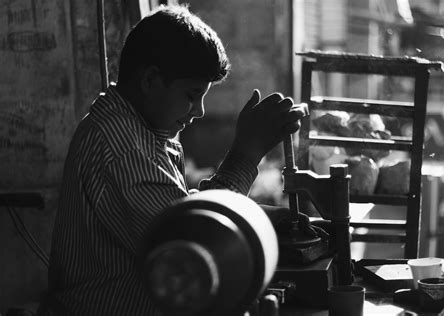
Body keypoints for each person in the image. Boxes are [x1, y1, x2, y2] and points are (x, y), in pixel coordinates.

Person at [37, 4, 307, 316]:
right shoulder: (121, 146)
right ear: (151, 80)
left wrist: (266, 215)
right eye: (191, 95)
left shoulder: (143, 128)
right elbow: (195, 243)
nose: (200, 111)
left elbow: (179, 207)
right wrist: (246, 153)